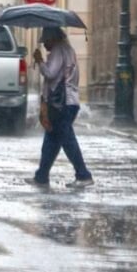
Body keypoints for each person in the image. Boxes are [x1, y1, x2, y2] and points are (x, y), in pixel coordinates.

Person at [27, 26, 94, 189]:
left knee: (66, 139)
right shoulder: (67, 50)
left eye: (46, 42)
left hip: (62, 103)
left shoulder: (58, 50)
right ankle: (41, 176)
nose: (45, 46)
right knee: (51, 139)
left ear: (53, 39)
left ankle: (83, 175)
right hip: (67, 102)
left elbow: (50, 73)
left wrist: (40, 61)